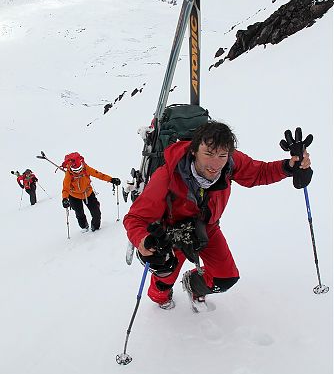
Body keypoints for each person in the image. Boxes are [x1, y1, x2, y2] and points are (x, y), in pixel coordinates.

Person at [123, 121, 312, 310]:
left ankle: (193, 285)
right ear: (194, 150)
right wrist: (143, 240)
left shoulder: (230, 163)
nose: (215, 164)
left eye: (222, 155)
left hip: (208, 228)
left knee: (225, 278)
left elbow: (258, 172)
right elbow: (136, 218)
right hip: (173, 235)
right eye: (208, 154)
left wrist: (288, 166)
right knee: (164, 276)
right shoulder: (167, 175)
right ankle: (161, 296)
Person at [61, 152, 121, 232]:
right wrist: (65, 198)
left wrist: (111, 179)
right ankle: (84, 227)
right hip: (74, 196)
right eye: (76, 170)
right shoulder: (69, 174)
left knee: (96, 212)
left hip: (88, 193)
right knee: (79, 214)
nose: (78, 172)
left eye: (79, 169)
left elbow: (99, 175)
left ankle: (95, 229)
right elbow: (65, 188)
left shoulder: (86, 168)